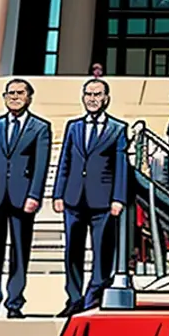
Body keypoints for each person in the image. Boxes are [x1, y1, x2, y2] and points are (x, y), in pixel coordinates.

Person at [0, 79, 52, 319]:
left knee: (19, 251)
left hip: (22, 197)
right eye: (10, 93)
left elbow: (41, 165)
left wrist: (34, 195)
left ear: (29, 97)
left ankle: (15, 302)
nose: (15, 97)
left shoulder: (39, 127)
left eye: (20, 93)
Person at [53, 78, 128, 316]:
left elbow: (121, 166)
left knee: (102, 251)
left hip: (103, 200)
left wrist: (118, 198)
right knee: (72, 250)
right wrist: (58, 193)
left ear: (106, 98)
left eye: (97, 94)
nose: (92, 99)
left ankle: (94, 296)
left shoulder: (117, 128)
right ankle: (74, 298)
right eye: (88, 94)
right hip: (73, 198)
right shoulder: (73, 127)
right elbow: (65, 160)